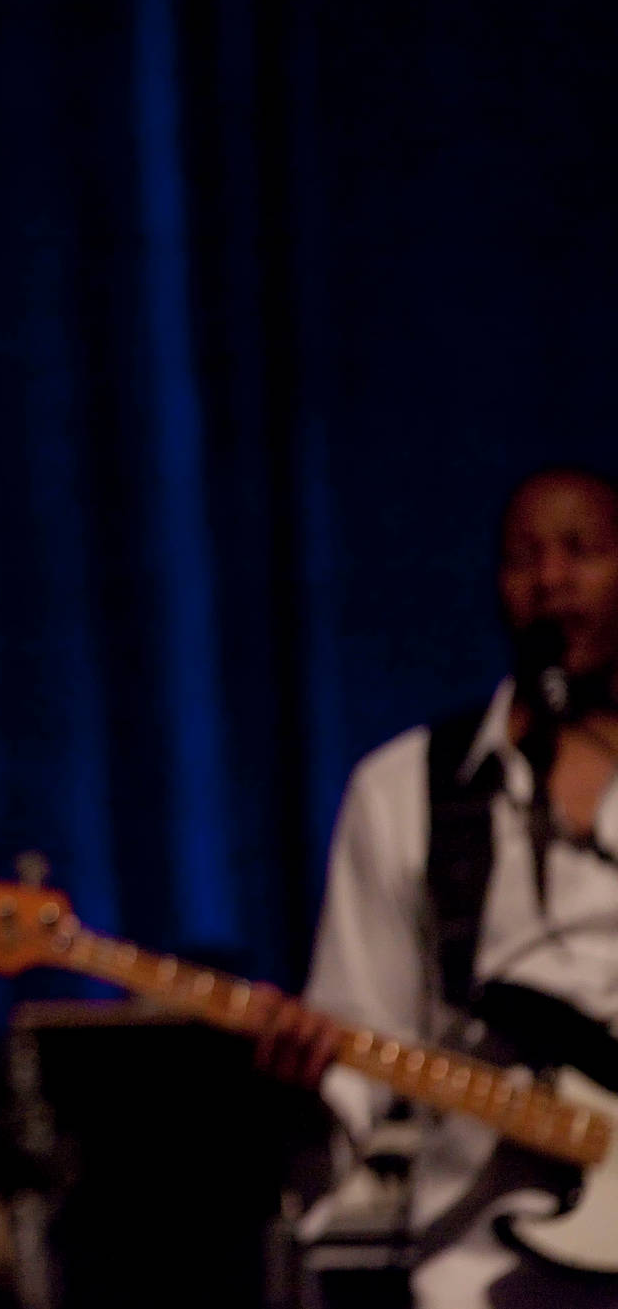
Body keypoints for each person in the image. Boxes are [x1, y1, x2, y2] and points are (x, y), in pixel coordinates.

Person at [259, 467, 618, 1307]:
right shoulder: (407, 790)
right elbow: (360, 1034)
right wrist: (306, 1087)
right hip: (484, 1264)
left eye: (583, 551)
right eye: (523, 558)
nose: (551, 579)